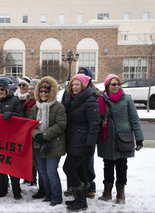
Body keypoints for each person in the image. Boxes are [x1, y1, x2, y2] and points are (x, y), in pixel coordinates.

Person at [97, 74, 144, 204]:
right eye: (113, 84)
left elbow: (134, 120)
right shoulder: (101, 99)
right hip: (106, 137)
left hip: (123, 137)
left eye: (118, 84)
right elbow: (95, 118)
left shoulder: (127, 99)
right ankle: (107, 192)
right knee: (107, 165)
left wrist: (139, 138)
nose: (116, 86)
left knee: (122, 166)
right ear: (107, 86)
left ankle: (120, 194)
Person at [61, 74, 99, 211]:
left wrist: (90, 144)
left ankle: (81, 200)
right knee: (79, 168)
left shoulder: (90, 101)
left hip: (82, 141)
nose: (74, 87)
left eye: (77, 84)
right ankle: (80, 199)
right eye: (72, 84)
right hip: (73, 139)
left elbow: (94, 125)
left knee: (68, 168)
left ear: (84, 85)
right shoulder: (70, 98)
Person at [30, 76, 67, 206]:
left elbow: (61, 124)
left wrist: (44, 135)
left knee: (51, 171)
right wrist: (37, 135)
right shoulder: (36, 107)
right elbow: (31, 124)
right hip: (39, 144)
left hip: (54, 144)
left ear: (51, 92)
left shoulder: (58, 107)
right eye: (41, 91)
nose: (43, 93)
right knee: (43, 172)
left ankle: (56, 197)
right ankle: (48, 194)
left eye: (46, 91)